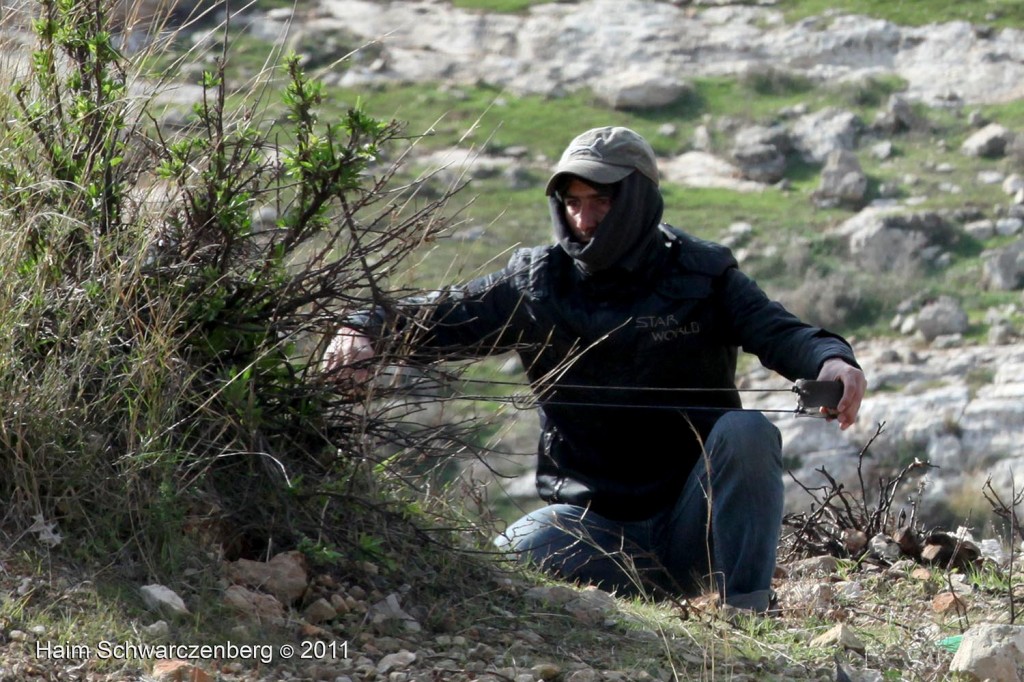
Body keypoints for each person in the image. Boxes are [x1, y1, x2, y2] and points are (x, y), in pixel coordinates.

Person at [326, 126, 867, 613]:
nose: (583, 218)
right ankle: (637, 599)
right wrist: (362, 329)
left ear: (637, 199)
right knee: (502, 560)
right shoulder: (534, 284)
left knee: (747, 431)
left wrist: (832, 360)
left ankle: (745, 608)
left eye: (602, 200)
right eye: (573, 201)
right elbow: (439, 316)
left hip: (696, 527)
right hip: (593, 530)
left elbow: (779, 330)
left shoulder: (703, 272)